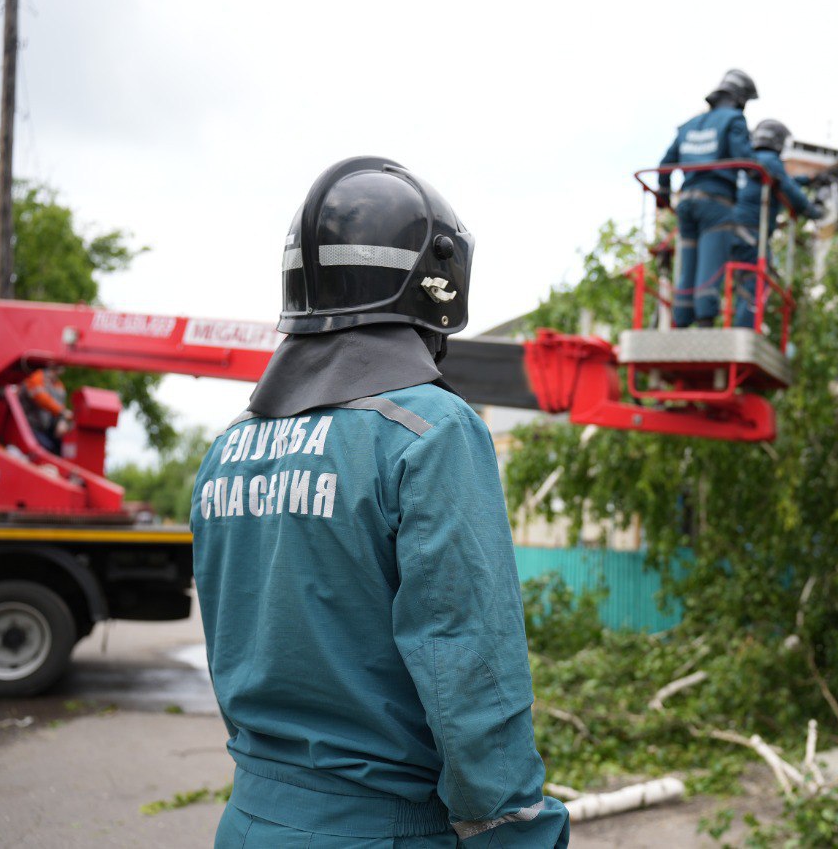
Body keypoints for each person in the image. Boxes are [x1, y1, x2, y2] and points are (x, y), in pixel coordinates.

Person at [191, 157, 570, 849]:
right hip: (379, 830)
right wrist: (516, 832)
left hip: (247, 823)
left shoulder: (228, 448)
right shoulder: (432, 431)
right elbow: (469, 671)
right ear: (438, 286)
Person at [658, 69, 757, 327]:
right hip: (716, 202)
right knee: (710, 265)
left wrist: (665, 195)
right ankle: (704, 321)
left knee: (687, 263)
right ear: (739, 99)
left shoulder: (689, 125)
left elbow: (665, 164)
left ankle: (680, 322)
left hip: (686, 202)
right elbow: (744, 158)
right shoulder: (733, 119)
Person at [731, 119, 823, 329]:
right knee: (756, 284)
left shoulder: (750, 161)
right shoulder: (770, 161)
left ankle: (740, 326)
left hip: (731, 231)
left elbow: (784, 181)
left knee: (742, 281)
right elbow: (792, 194)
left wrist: (808, 180)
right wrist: (814, 212)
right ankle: (744, 331)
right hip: (752, 234)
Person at [20, 362, 72, 454]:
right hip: (28, 426)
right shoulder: (36, 377)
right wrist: (61, 412)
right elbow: (41, 398)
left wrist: (62, 421)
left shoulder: (59, 385)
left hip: (45, 428)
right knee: (47, 449)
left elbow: (62, 406)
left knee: (62, 449)